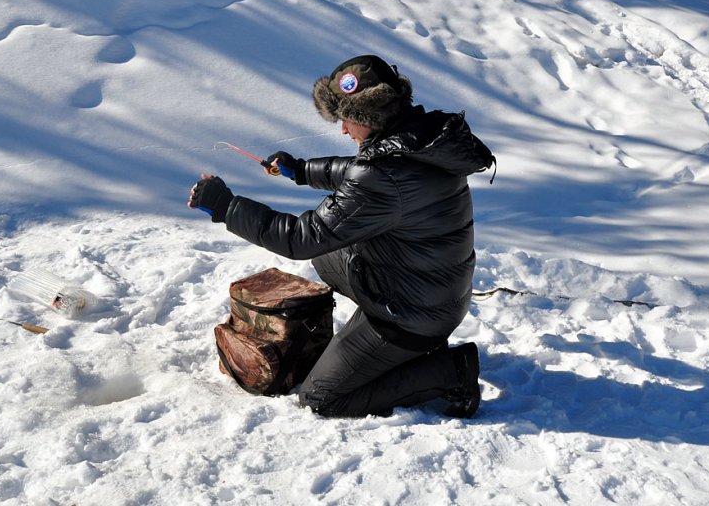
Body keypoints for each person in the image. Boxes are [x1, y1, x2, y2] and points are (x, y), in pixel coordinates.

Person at [187, 55, 495, 418]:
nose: (344, 131)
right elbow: (355, 171)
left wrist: (226, 207)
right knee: (328, 257)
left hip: (411, 317)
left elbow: (302, 237)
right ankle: (383, 347)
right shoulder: (418, 142)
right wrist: (299, 170)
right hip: (434, 293)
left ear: (369, 117)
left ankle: (450, 371)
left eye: (347, 119)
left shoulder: (382, 175)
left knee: (322, 398)